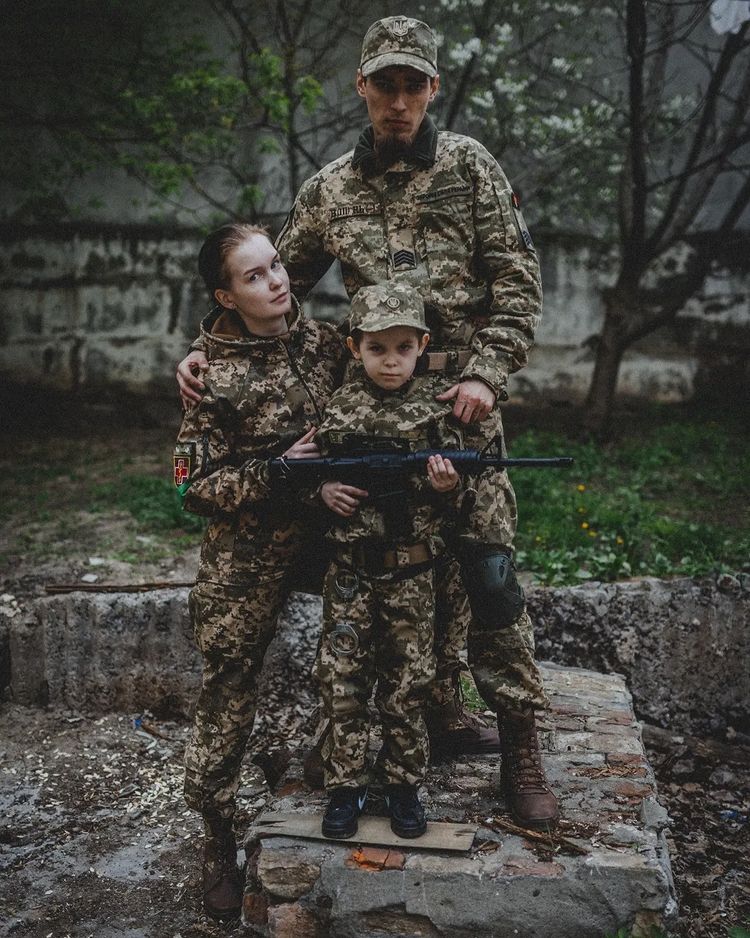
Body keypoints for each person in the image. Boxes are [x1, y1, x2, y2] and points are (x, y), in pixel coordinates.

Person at [177, 15, 559, 830]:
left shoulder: (469, 168)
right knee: (384, 569)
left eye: (412, 83)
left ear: (433, 87)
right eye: (383, 84)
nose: (398, 100)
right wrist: (202, 354)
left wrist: (488, 373)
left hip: (461, 411)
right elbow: (272, 286)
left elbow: (518, 282)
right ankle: (380, 732)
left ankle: (519, 742)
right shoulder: (331, 190)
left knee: (487, 575)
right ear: (361, 87)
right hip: (368, 426)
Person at [174, 223, 345, 919]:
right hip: (248, 548)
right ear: (225, 294)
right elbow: (191, 485)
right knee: (229, 681)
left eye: (276, 266)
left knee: (372, 637)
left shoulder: (329, 343)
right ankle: (217, 833)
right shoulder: (212, 373)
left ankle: (325, 767)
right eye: (253, 275)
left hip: (330, 529)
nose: (275, 281)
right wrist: (276, 472)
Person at [310, 282, 466, 840]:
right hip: (350, 574)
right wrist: (323, 490)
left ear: (422, 345)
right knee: (342, 681)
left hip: (411, 572)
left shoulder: (435, 414)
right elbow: (307, 475)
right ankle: (344, 788)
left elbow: (463, 502)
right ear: (355, 348)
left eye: (403, 347)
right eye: (377, 348)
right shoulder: (338, 410)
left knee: (408, 684)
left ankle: (403, 786)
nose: (391, 360)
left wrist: (446, 486)